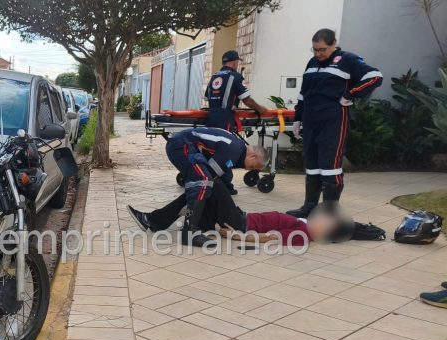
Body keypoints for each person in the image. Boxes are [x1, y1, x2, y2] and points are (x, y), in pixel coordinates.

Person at [287, 28, 383, 218]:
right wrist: (297, 117)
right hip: (310, 120)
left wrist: (350, 95)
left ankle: (329, 211)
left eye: (322, 49)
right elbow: (303, 93)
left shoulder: (347, 60)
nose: (318, 54)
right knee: (312, 165)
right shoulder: (312, 63)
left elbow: (375, 77)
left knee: (330, 166)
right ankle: (310, 207)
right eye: (315, 49)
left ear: (333, 44)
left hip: (333, 121)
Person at [128, 127, 268, 245]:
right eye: (253, 167)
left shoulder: (237, 149)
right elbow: (211, 176)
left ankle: (152, 220)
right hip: (182, 145)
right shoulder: (234, 149)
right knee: (204, 182)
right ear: (253, 156)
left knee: (204, 187)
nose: (248, 170)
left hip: (187, 146)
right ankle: (189, 233)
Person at [129, 179, 343, 246]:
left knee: (214, 184)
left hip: (241, 224)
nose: (320, 220)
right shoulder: (305, 223)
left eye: (325, 225)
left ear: (323, 234)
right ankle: (157, 220)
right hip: (242, 216)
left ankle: (157, 220)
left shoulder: (302, 235)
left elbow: (270, 238)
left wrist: (236, 236)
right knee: (203, 191)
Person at [205, 50, 269, 195]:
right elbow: (246, 99)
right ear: (234, 62)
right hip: (225, 118)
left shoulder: (215, 76)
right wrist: (261, 109)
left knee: (211, 149)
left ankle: (211, 179)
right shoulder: (235, 76)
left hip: (211, 115)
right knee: (226, 151)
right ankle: (225, 185)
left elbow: (208, 96)